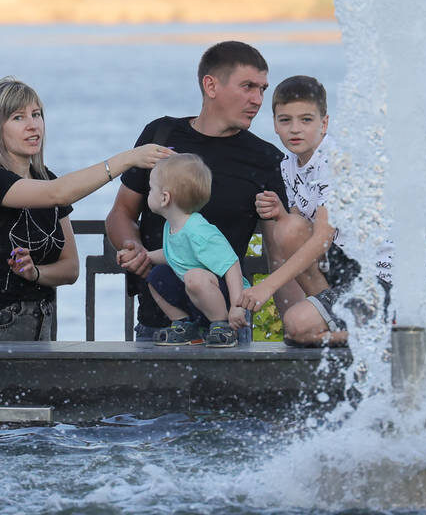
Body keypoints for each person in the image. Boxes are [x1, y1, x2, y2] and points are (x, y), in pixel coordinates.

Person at [0, 76, 173, 341]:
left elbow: (70, 269)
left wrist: (35, 273)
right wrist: (128, 158)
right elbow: (58, 194)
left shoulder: (46, 177)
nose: (32, 125)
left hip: (41, 322)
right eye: (18, 117)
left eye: (36, 114)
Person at [106, 41, 292, 343]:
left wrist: (293, 327)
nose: (257, 100)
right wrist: (133, 247)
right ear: (211, 85)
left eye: (262, 89)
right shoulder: (161, 135)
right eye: (247, 86)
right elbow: (121, 212)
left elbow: (279, 255)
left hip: (227, 332)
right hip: (159, 327)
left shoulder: (265, 159)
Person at [239, 75, 391, 346]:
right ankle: (357, 331)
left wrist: (267, 285)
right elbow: (298, 227)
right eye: (285, 120)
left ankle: (374, 327)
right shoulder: (289, 164)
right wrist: (279, 210)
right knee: (288, 228)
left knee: (297, 325)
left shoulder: (334, 161)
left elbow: (322, 238)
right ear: (274, 124)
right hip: (342, 270)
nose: (295, 129)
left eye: (306, 120)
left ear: (324, 123)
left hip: (376, 280)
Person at [130, 154, 250, 347]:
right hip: (198, 295)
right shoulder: (172, 225)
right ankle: (185, 325)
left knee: (194, 276)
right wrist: (145, 256)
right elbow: (175, 255)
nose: (148, 193)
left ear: (164, 198)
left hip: (227, 297)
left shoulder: (198, 231)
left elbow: (231, 266)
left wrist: (237, 307)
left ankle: (221, 326)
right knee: (156, 276)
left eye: (151, 188)